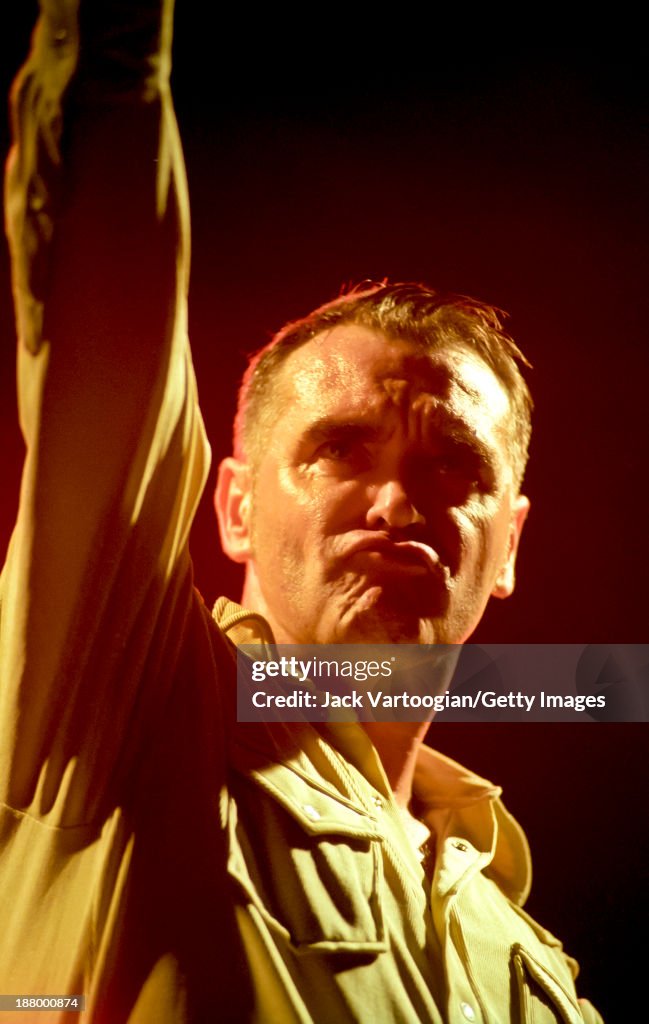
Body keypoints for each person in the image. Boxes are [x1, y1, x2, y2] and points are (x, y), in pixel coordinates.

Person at [0, 2, 603, 1022]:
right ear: (231, 506)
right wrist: (119, 62)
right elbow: (111, 325)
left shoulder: (528, 958)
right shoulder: (131, 715)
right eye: (337, 451)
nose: (400, 502)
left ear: (509, 545)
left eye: (456, 469)